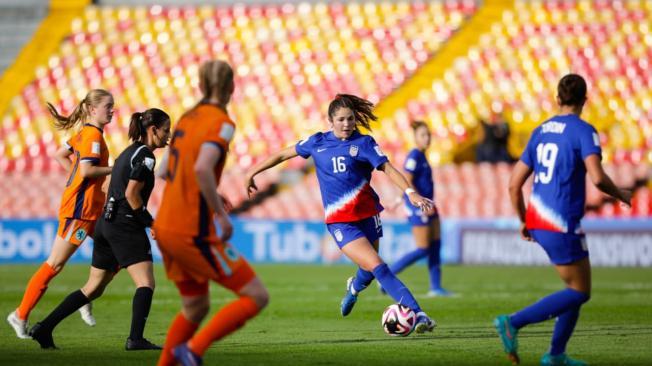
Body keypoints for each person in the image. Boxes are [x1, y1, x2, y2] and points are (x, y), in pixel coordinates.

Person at [246, 93, 436, 333]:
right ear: (330, 121)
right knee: (379, 266)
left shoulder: (364, 143)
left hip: (368, 214)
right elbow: (283, 154)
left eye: (350, 119)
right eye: (341, 120)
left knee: (368, 270)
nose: (347, 124)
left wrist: (411, 192)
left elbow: (387, 168)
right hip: (341, 222)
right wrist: (251, 172)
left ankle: (354, 288)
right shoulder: (317, 142)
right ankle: (417, 313)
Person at [494, 74, 631, 366]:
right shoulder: (584, 131)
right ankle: (513, 322)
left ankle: (556, 354)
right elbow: (597, 177)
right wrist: (622, 194)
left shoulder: (540, 131)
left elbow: (513, 184)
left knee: (575, 290)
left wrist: (523, 220)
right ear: (585, 100)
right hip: (561, 221)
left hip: (538, 218)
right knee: (580, 291)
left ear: (557, 99)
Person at [154, 60, 270, 366]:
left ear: (201, 86)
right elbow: (203, 167)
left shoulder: (186, 118)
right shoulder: (222, 122)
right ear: (232, 87)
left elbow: (164, 168)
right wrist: (220, 212)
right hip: (190, 229)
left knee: (195, 307)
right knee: (257, 296)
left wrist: (206, 191)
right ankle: (193, 350)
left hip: (164, 226)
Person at [29, 109, 171, 350]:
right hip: (125, 226)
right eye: (165, 130)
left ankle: (44, 328)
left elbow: (109, 186)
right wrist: (150, 223)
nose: (168, 136)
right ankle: (135, 339)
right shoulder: (146, 156)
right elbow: (132, 194)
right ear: (153, 130)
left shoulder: (127, 153)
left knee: (93, 288)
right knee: (146, 283)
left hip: (106, 224)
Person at [7, 89, 113, 339]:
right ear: (92, 109)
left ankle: (86, 294)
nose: (112, 110)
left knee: (117, 254)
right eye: (108, 106)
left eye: (113, 106)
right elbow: (86, 171)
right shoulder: (92, 136)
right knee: (54, 264)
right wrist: (113, 168)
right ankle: (20, 314)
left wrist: (75, 179)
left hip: (91, 210)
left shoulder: (87, 134)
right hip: (79, 213)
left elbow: (60, 154)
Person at [382, 121, 452, 297]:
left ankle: (436, 287)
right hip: (419, 207)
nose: (427, 138)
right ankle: (386, 278)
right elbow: (407, 179)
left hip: (429, 205)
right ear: (415, 138)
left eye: (428, 134)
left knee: (435, 245)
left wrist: (398, 200)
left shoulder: (423, 155)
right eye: (423, 135)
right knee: (423, 248)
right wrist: (418, 202)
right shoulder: (414, 155)